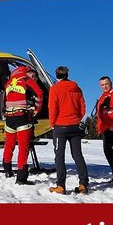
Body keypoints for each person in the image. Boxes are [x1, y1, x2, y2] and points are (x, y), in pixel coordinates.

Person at [48, 66, 89, 194]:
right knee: (77, 155)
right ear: (67, 75)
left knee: (59, 156)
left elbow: (52, 107)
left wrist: (52, 123)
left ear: (56, 75)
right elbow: (83, 107)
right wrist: (77, 119)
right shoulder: (77, 88)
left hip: (60, 126)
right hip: (75, 126)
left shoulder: (55, 88)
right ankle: (83, 184)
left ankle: (61, 186)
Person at [2, 65, 44, 185]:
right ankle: (21, 177)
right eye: (34, 77)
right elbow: (40, 93)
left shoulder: (9, 82)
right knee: (23, 147)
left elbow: (4, 98)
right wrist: (37, 109)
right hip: (22, 117)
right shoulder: (27, 80)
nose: (34, 79)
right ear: (30, 73)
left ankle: (7, 170)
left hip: (9, 117)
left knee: (9, 144)